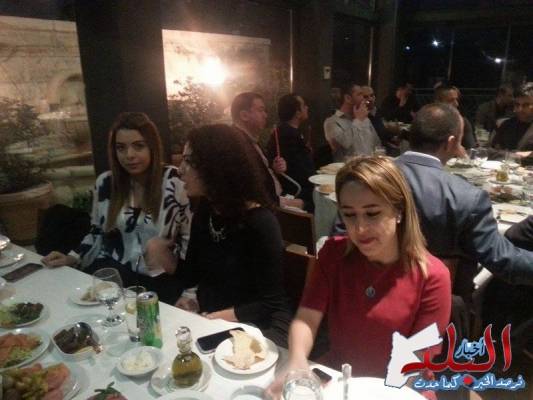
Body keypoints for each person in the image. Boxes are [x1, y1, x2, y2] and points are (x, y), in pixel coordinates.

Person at [266, 156, 451, 398]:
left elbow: (415, 361)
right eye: (349, 215)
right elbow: (307, 317)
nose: (360, 229)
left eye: (372, 213)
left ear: (399, 210)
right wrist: (297, 360)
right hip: (340, 376)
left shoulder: (432, 276)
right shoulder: (333, 253)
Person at [42, 112, 191, 303]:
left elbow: (190, 243)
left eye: (138, 146)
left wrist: (190, 292)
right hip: (116, 274)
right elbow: (96, 232)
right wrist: (72, 257)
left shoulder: (175, 182)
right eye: (121, 148)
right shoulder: (106, 183)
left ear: (152, 147)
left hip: (160, 279)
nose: (129, 155)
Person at [175, 124, 290, 346]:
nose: (180, 169)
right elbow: (192, 274)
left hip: (253, 326)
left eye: (189, 161)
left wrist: (215, 317)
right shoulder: (205, 211)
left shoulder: (260, 222)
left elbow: (271, 303)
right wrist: (189, 299)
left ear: (217, 165)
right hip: (211, 319)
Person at [396, 103, 533, 286]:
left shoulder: (371, 177)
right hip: (440, 291)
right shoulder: (467, 196)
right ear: (451, 142)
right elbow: (502, 259)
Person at [231, 92, 304, 210]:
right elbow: (254, 195)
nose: (265, 115)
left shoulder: (249, 140)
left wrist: (274, 168)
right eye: (261, 110)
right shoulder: (237, 147)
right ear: (244, 115)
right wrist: (297, 203)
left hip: (276, 198)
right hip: (270, 208)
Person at [267, 94, 315, 212]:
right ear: (297, 113)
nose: (307, 107)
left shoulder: (288, 131)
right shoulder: (288, 135)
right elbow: (299, 169)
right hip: (296, 189)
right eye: (304, 106)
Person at [323, 82, 381, 162]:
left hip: (369, 166)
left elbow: (377, 144)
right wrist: (358, 121)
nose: (364, 98)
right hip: (347, 168)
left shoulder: (365, 119)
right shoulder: (332, 122)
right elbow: (344, 143)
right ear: (348, 98)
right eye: (360, 94)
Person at [490, 82, 533, 151]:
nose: (520, 109)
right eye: (517, 105)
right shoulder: (506, 125)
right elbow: (492, 150)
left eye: (526, 105)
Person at [361, 85, 400, 155]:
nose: (370, 99)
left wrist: (393, 135)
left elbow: (383, 131)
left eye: (372, 95)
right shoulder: (361, 117)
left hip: (384, 147)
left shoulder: (379, 112)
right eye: (365, 97)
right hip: (373, 151)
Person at [434, 85, 476, 149]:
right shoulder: (427, 121)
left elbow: (471, 149)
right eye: (451, 100)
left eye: (456, 99)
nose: (456, 104)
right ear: (438, 102)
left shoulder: (463, 122)